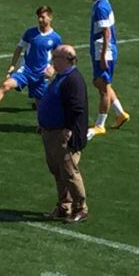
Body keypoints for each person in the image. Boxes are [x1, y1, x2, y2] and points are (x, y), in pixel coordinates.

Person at [0, 6, 63, 119]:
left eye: (43, 17)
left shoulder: (55, 38)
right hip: (26, 71)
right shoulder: (30, 33)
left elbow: (59, 55)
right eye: (38, 17)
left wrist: (52, 68)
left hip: (41, 75)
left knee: (43, 105)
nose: (40, 20)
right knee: (6, 85)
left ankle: (45, 125)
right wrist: (12, 65)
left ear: (50, 18)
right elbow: (19, 48)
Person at [37, 45, 89, 223]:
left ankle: (80, 207)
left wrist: (68, 129)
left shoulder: (73, 80)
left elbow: (77, 108)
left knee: (69, 172)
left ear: (66, 60)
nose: (52, 61)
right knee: (58, 171)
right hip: (51, 132)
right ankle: (64, 205)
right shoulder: (60, 77)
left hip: (63, 134)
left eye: (55, 58)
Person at [79, 0, 130, 138]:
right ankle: (120, 113)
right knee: (102, 83)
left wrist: (102, 55)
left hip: (103, 50)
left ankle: (100, 125)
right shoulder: (102, 3)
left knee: (102, 86)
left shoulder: (101, 7)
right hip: (101, 49)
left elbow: (106, 32)